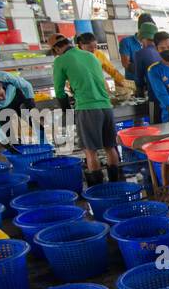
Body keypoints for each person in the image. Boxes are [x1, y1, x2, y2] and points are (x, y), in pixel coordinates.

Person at [50, 32, 121, 186]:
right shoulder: (91, 56)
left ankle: (99, 189)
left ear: (56, 49)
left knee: (90, 151)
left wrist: (67, 112)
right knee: (110, 147)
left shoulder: (60, 61)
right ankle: (116, 185)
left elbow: (59, 91)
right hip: (106, 106)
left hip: (87, 108)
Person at [131, 21, 161, 104]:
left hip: (154, 98)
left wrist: (139, 97)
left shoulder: (140, 54)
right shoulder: (161, 51)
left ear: (142, 38)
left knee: (152, 116)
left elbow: (139, 80)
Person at [120, 13, 154, 80]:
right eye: (148, 30)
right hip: (133, 81)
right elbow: (125, 64)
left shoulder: (153, 42)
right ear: (140, 29)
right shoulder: (126, 42)